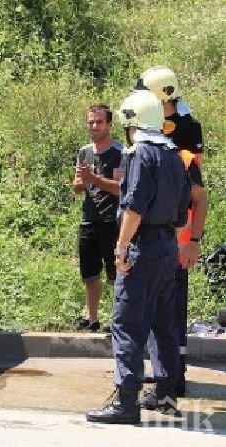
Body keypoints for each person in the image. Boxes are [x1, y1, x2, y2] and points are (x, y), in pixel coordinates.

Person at [86, 89, 191, 424]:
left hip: (142, 246)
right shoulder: (174, 155)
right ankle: (166, 396)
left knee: (128, 323)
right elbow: (181, 211)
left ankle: (126, 401)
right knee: (164, 324)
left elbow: (133, 207)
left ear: (132, 121)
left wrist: (121, 248)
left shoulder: (139, 155)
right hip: (166, 247)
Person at [137, 66, 208, 401]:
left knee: (170, 312)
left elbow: (197, 192)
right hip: (164, 232)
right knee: (160, 312)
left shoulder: (185, 131)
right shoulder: (151, 129)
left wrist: (193, 239)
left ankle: (172, 379)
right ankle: (166, 375)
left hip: (175, 235)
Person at [72, 105, 123, 331]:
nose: (94, 126)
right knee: (90, 274)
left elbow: (119, 188)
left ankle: (118, 321)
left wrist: (93, 178)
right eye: (90, 122)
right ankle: (91, 320)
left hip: (111, 221)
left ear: (109, 125)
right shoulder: (84, 152)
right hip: (88, 220)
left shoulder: (120, 152)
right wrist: (81, 183)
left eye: (99, 122)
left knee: (116, 274)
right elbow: (77, 186)